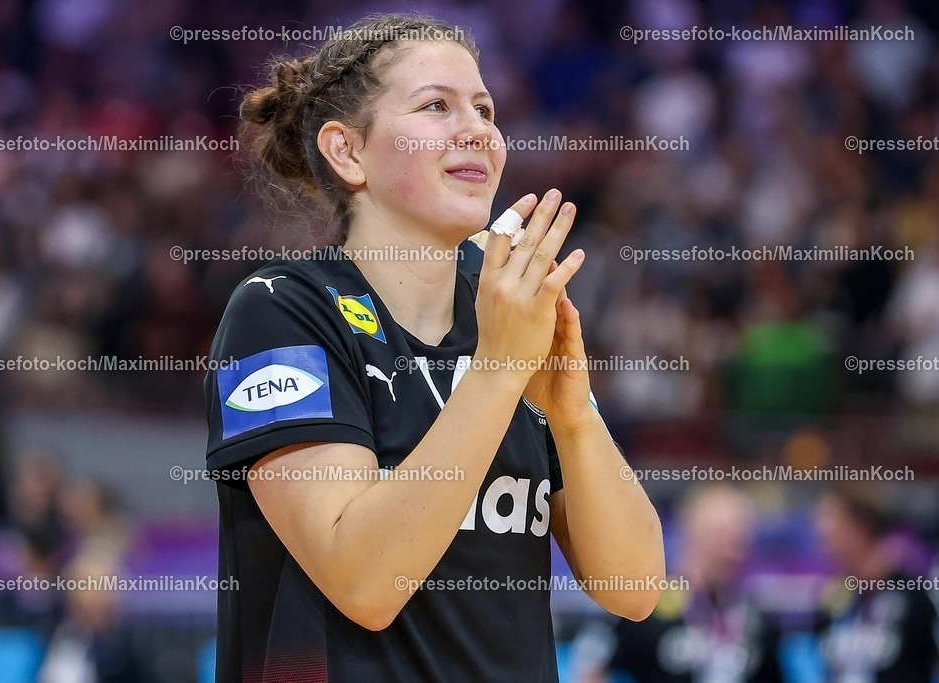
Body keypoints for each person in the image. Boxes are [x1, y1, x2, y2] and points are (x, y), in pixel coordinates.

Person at [203, 14, 664, 681]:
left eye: (484, 108)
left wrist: (574, 416)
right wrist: (499, 371)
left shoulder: (507, 310)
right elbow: (364, 582)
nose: (477, 128)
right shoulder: (280, 310)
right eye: (436, 106)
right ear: (348, 152)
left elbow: (635, 585)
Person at [570, 483, 783, 682]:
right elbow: (590, 672)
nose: (731, 546)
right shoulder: (644, 602)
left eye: (739, 535)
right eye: (720, 533)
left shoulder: (753, 614)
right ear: (690, 530)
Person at [813, 486, 938, 682]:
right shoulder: (835, 598)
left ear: (859, 529)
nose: (826, 543)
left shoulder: (912, 597)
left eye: (832, 531)